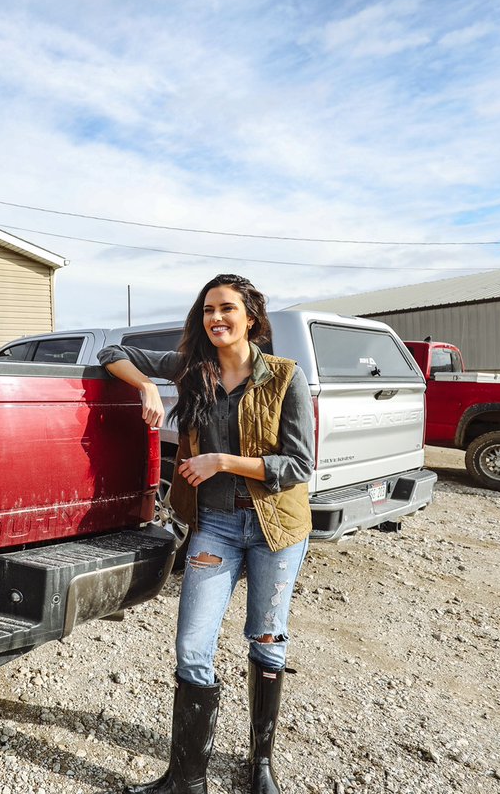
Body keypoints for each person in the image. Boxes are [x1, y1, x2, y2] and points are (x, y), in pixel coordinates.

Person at [100, 274, 315, 794]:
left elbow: (299, 465)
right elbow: (112, 352)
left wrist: (221, 461)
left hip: (275, 526)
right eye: (208, 310)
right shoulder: (191, 369)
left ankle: (260, 765)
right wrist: (146, 385)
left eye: (227, 309)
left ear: (251, 318)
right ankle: (186, 779)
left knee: (267, 639)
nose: (216, 318)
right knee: (192, 647)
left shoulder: (285, 377)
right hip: (215, 526)